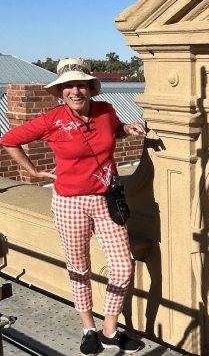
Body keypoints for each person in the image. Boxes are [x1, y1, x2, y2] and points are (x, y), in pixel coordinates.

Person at [0, 58, 146, 355]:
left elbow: (112, 131)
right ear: (61, 91)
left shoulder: (106, 110)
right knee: (79, 268)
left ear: (90, 88)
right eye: (68, 86)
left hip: (107, 198)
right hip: (69, 202)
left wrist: (127, 128)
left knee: (122, 267)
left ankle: (109, 329)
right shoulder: (51, 120)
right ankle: (88, 327)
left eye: (80, 84)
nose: (74, 91)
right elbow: (9, 140)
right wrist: (33, 171)